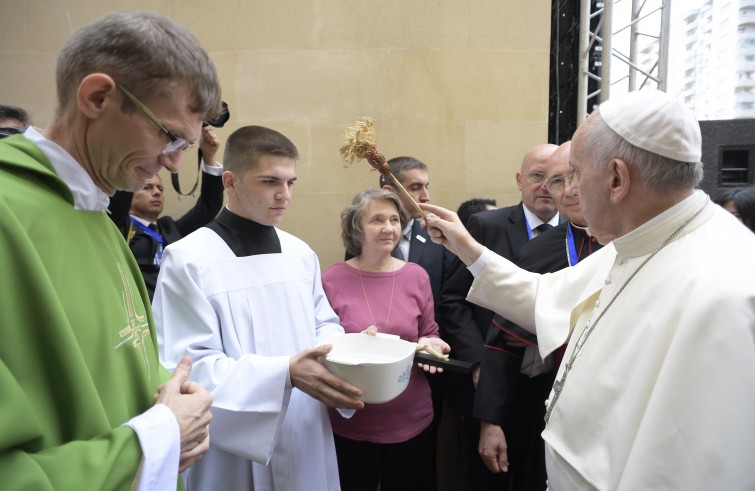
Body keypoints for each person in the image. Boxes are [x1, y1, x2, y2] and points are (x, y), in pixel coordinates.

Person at [422, 88, 755, 490]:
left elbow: (697, 467)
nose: (567, 191)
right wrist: (466, 246)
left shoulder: (729, 289)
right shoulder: (638, 240)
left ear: (616, 178)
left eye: (575, 173)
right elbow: (547, 298)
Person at [0, 11, 221, 489]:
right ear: (98, 97)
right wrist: (156, 440)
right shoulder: (8, 211)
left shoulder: (96, 213)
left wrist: (173, 392)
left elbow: (111, 364)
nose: (174, 162)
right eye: (168, 135)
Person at [152, 125, 364, 490]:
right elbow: (186, 369)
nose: (284, 196)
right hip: (231, 447)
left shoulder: (300, 253)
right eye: (269, 182)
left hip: (304, 430)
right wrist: (284, 373)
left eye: (290, 183)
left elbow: (324, 324)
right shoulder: (189, 259)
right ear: (230, 182)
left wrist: (347, 350)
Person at [475, 141, 604, 491]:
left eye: (574, 177)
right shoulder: (537, 251)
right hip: (549, 401)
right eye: (557, 181)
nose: (569, 190)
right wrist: (491, 421)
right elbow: (502, 342)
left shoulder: (629, 241)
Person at [439, 143, 559, 490]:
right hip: (494, 382)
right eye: (537, 176)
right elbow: (453, 298)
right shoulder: (486, 226)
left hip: (554, 386)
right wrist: (478, 362)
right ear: (520, 180)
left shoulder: (580, 234)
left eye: (556, 179)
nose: (546, 187)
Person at [322, 188, 450, 491]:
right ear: (356, 228)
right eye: (377, 220)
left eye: (394, 220)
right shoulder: (332, 279)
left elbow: (429, 331)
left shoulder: (417, 276)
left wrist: (432, 345)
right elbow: (321, 341)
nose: (389, 228)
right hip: (351, 418)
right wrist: (354, 341)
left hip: (411, 417)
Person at [109, 125, 225, 299]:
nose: (156, 192)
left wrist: (208, 156)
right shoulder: (119, 225)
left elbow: (209, 206)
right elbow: (120, 197)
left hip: (176, 312)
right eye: (147, 187)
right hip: (140, 315)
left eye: (160, 188)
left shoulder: (170, 228)